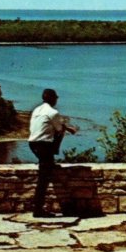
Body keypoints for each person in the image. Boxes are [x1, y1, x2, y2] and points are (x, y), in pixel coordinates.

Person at [28, 88, 77, 217]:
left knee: (45, 169)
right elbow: (59, 128)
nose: (57, 100)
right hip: (44, 145)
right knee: (43, 179)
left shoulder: (36, 110)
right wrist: (69, 129)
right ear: (52, 98)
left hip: (32, 144)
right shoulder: (53, 112)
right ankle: (38, 210)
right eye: (56, 97)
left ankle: (50, 161)